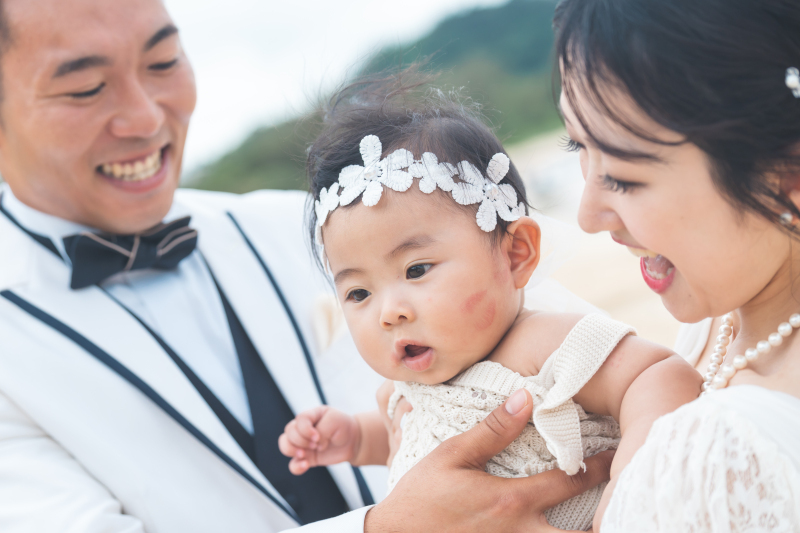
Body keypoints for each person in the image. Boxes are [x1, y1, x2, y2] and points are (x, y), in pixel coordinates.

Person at [0, 0, 615, 531]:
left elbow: (571, 342)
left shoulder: (326, 224)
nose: (146, 118)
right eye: (84, 88)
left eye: (162, 63)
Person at [279, 81, 701, 531]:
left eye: (417, 270)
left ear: (515, 253)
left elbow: (660, 376)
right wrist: (355, 437)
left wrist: (630, 489)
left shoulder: (541, 344)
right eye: (359, 293)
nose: (389, 312)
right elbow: (415, 442)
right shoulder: (399, 396)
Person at [553, 0, 800, 529]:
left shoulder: (727, 453)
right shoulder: (728, 315)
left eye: (624, 176)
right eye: (577, 143)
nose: (587, 216)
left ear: (787, 174)